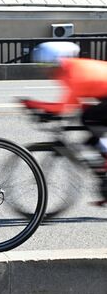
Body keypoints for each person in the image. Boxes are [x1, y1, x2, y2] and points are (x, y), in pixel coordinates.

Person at [25, 41, 107, 206]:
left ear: (57, 62)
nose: (45, 70)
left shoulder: (71, 73)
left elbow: (63, 107)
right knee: (89, 121)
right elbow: (74, 103)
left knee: (89, 119)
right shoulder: (66, 70)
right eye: (42, 66)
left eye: (47, 66)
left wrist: (34, 104)